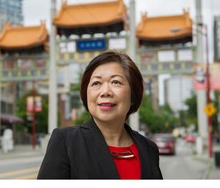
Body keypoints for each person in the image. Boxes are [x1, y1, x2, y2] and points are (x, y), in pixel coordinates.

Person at [37, 50, 163, 179]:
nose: (105, 92)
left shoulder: (149, 149)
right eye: (96, 83)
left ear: (133, 95)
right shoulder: (66, 142)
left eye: (116, 82)